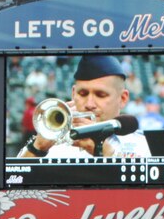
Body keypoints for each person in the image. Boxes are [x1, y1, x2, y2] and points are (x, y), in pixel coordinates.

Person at [17, 54, 151, 159]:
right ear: (73, 94)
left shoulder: (142, 145)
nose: (89, 104)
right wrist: (37, 147)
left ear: (122, 99)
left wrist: (105, 153)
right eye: (83, 94)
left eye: (101, 95)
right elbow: (13, 184)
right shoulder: (52, 142)